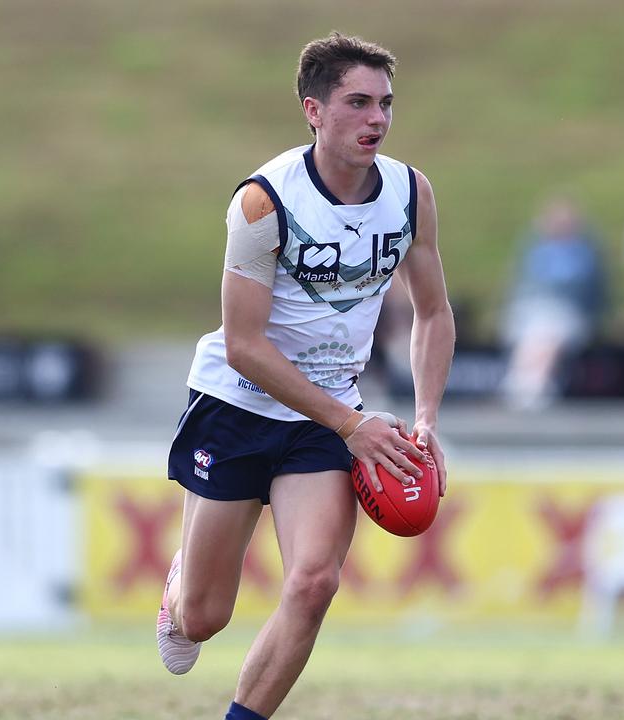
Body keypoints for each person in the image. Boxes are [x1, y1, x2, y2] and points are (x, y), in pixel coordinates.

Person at [158, 33, 454, 720]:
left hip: (327, 419)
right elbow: (244, 346)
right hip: (238, 404)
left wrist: (427, 416)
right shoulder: (264, 203)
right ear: (313, 112)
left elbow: (434, 315)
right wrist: (352, 424)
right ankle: (178, 590)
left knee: (316, 581)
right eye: (357, 103)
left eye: (385, 103)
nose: (376, 119)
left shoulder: (411, 193)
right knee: (203, 619)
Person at [499, 197, 606, 410]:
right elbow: (519, 285)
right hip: (532, 312)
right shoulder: (533, 249)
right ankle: (528, 385)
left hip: (568, 314)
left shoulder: (584, 253)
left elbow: (589, 291)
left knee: (545, 337)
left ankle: (528, 388)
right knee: (535, 338)